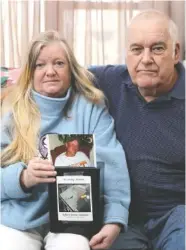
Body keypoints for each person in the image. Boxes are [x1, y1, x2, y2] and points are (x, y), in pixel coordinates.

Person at [0, 30, 130, 250]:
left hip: (73, 220)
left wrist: (115, 220)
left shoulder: (91, 109)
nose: (50, 71)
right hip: (18, 217)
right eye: (40, 65)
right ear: (30, 72)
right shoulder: (13, 111)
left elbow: (113, 167)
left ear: (71, 69)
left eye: (59, 63)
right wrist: (23, 177)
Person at [90, 9, 185, 250]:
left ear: (176, 52)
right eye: (136, 49)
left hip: (178, 215)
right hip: (124, 219)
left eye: (157, 48)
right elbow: (57, 74)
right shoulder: (110, 80)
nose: (145, 59)